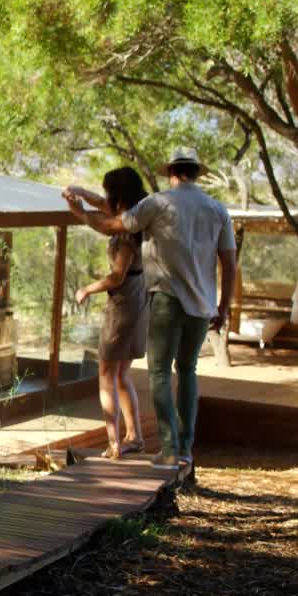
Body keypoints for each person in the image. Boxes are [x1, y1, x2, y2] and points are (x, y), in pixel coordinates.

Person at [64, 149, 236, 470]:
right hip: (202, 305)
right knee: (187, 372)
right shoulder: (217, 210)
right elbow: (229, 263)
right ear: (197, 173)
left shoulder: (159, 204)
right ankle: (185, 448)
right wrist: (223, 307)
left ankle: (170, 447)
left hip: (167, 299)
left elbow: (115, 224)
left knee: (159, 373)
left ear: (171, 171)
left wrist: (80, 212)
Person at [65, 168, 149, 460]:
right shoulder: (138, 213)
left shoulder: (127, 232)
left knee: (106, 373)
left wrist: (87, 289)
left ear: (119, 194)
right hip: (138, 299)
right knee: (122, 373)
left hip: (124, 303)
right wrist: (81, 194)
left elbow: (116, 276)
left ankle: (114, 441)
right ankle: (134, 435)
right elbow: (103, 206)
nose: (105, 197)